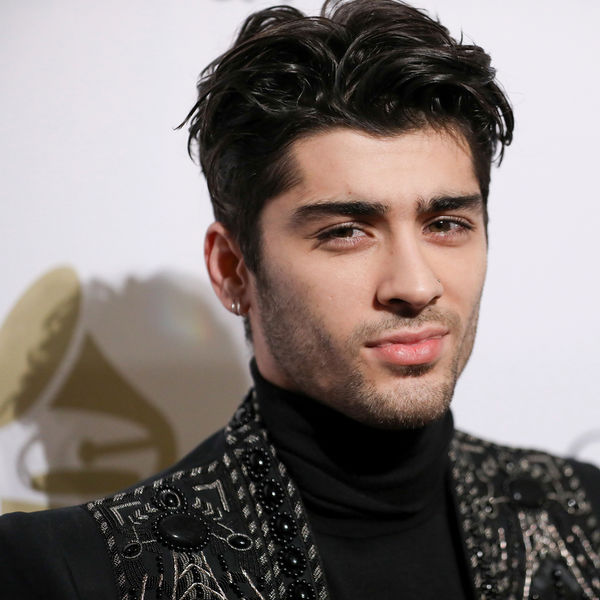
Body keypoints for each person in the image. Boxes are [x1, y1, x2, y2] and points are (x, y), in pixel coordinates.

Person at [1, 1, 599, 598]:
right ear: (233, 270)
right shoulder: (71, 571)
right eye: (346, 232)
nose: (416, 286)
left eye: (445, 224)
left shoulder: (585, 511)